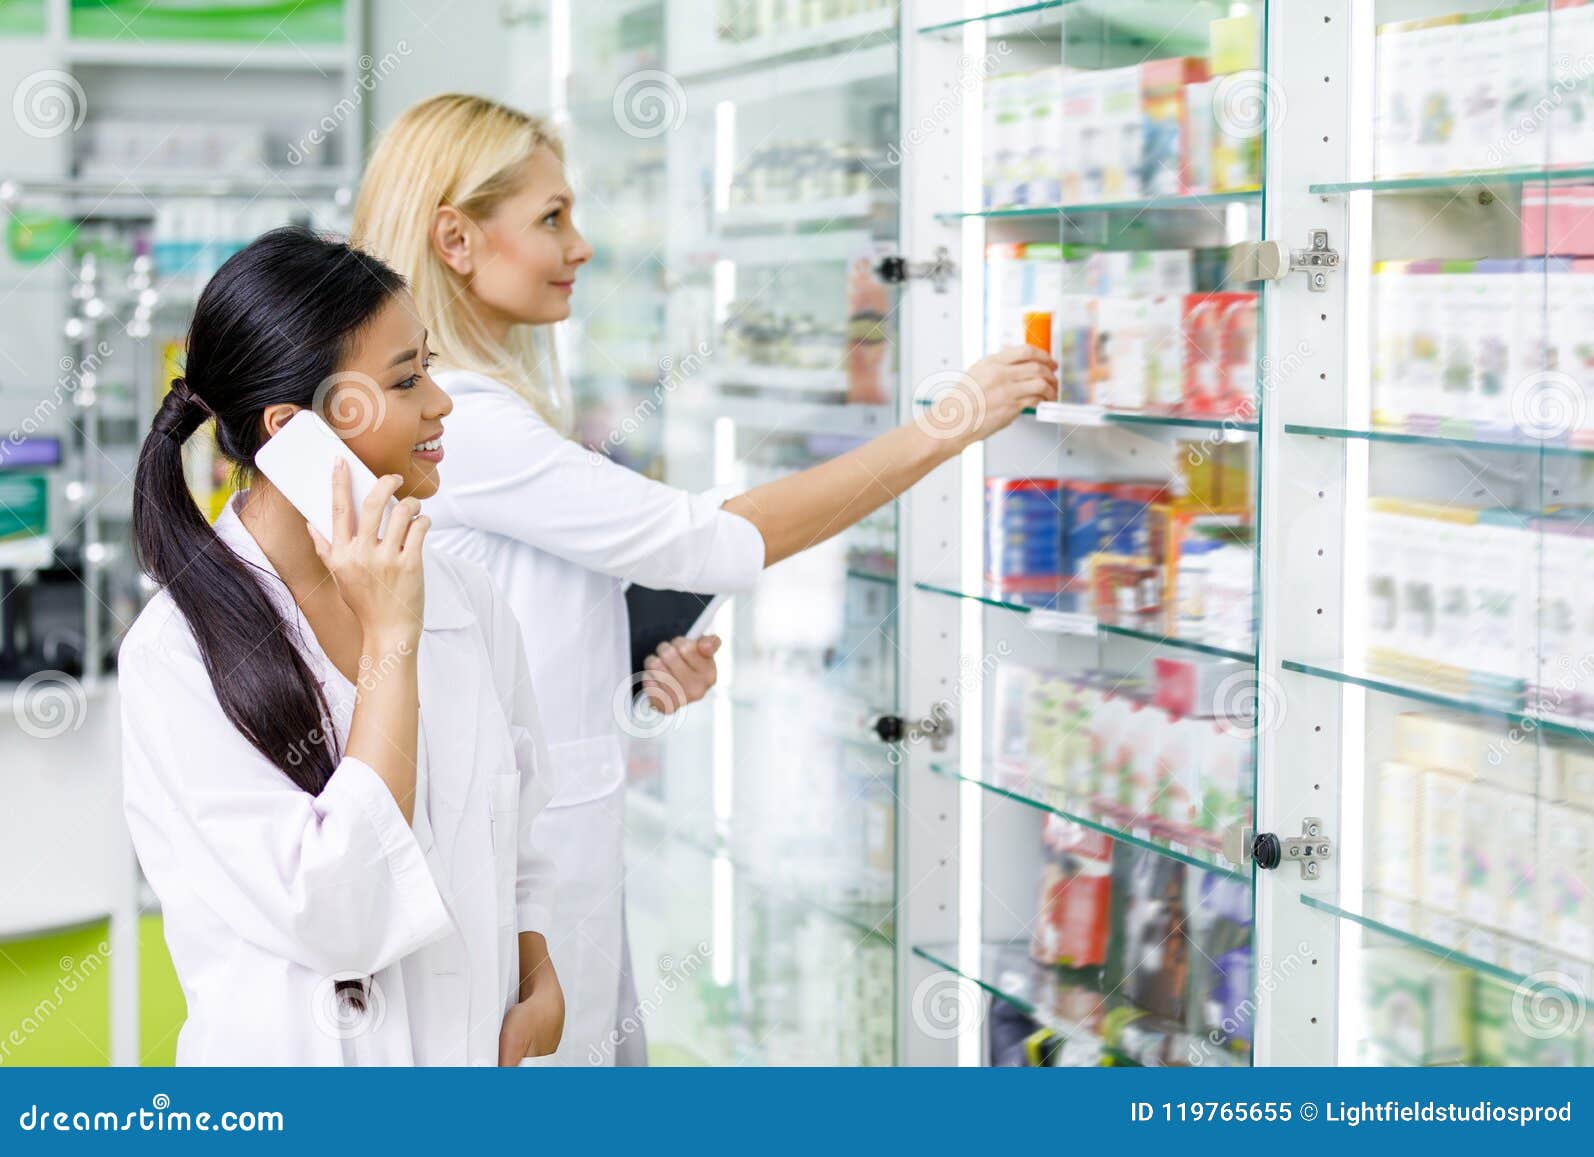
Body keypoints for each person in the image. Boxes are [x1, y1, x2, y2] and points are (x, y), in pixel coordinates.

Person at [352, 93, 1059, 1065]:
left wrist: (634, 680)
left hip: (550, 866)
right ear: (456, 238)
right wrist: (946, 423)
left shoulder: (479, 412)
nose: (581, 246)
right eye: (552, 217)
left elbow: (514, 635)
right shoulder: (464, 422)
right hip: (511, 891)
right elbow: (706, 538)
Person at [120, 227, 564, 1066]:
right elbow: (344, 919)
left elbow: (524, 831)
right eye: (406, 379)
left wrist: (538, 977)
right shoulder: (174, 659)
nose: (442, 403)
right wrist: (390, 639)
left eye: (427, 365)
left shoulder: (465, 601)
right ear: (295, 433)